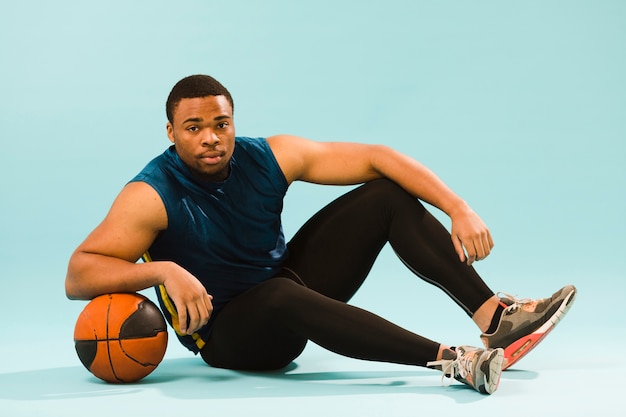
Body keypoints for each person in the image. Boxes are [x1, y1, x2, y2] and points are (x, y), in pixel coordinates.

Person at [65, 74, 576, 395]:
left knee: (384, 194)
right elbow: (78, 272)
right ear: (171, 132)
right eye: (194, 127)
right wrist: (161, 269)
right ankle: (455, 361)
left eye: (220, 123)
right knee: (280, 294)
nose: (210, 137)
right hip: (228, 335)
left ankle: (495, 319)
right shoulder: (150, 194)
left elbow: (377, 156)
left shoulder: (266, 156)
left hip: (286, 287)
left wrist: (457, 207)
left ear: (233, 122)